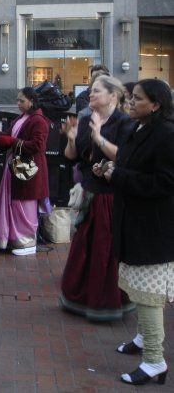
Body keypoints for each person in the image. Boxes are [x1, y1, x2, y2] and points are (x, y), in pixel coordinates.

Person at [98, 79, 174, 385]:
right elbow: (128, 167)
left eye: (137, 99)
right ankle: (143, 339)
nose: (130, 102)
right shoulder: (138, 129)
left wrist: (119, 175)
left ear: (155, 104)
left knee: (150, 297)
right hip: (133, 223)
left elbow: (164, 182)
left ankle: (155, 360)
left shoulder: (168, 134)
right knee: (138, 289)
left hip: (154, 230)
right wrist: (108, 170)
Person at [59, 75, 136, 320]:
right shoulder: (84, 120)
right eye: (91, 91)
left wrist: (99, 137)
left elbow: (124, 157)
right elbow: (72, 157)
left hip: (111, 197)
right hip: (90, 192)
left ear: (113, 95)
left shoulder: (124, 122)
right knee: (84, 246)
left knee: (105, 248)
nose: (91, 95)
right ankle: (79, 297)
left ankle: (106, 301)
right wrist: (71, 139)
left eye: (97, 91)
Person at [0, 87, 50, 256]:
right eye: (17, 100)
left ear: (31, 101)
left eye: (21, 100)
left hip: (29, 170)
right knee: (15, 204)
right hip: (16, 167)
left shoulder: (39, 120)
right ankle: (13, 239)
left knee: (25, 205)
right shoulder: (21, 118)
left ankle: (27, 243)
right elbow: (10, 136)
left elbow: (38, 146)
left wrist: (12, 141)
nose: (18, 104)